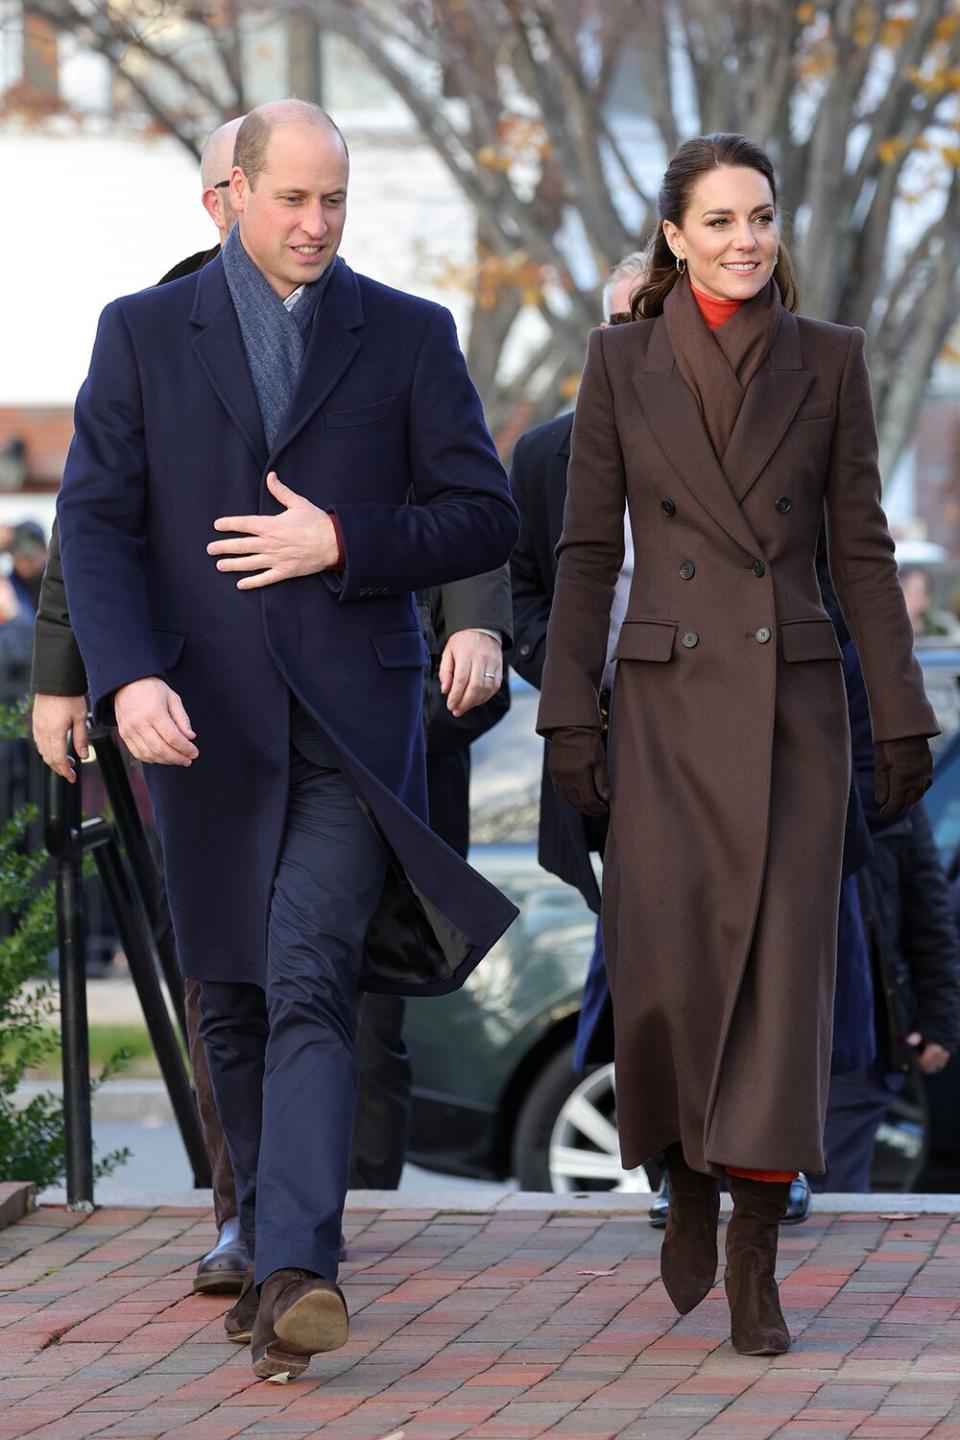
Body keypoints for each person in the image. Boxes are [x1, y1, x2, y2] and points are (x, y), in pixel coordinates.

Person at [56, 99, 518, 1379]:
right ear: (231, 197)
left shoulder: (411, 337)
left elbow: (482, 518)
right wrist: (125, 675)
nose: (317, 224)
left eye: (337, 201)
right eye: (294, 199)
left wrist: (347, 541)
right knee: (237, 997)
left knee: (312, 975)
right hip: (194, 727)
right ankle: (265, 1235)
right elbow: (91, 526)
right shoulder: (143, 333)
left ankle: (304, 1266)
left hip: (350, 733)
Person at [537, 131, 938, 1356]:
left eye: (761, 216)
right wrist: (569, 711)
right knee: (663, 980)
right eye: (719, 220)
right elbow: (588, 552)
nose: (747, 239)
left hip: (793, 716)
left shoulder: (832, 360)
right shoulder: (618, 361)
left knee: (781, 992)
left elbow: (860, 549)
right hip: (662, 709)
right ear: (674, 236)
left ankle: (756, 1250)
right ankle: (687, 1178)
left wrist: (904, 709)